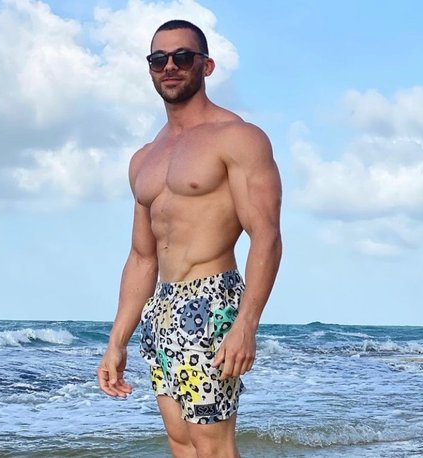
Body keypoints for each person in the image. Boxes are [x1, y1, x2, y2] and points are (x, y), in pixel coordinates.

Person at [97, 19, 282, 458]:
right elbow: (142, 258)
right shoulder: (144, 159)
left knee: (212, 447)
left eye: (182, 57)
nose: (170, 67)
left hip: (211, 300)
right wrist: (117, 341)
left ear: (206, 65)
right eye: (158, 59)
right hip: (161, 308)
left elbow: (266, 236)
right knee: (181, 442)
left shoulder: (238, 138)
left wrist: (246, 325)